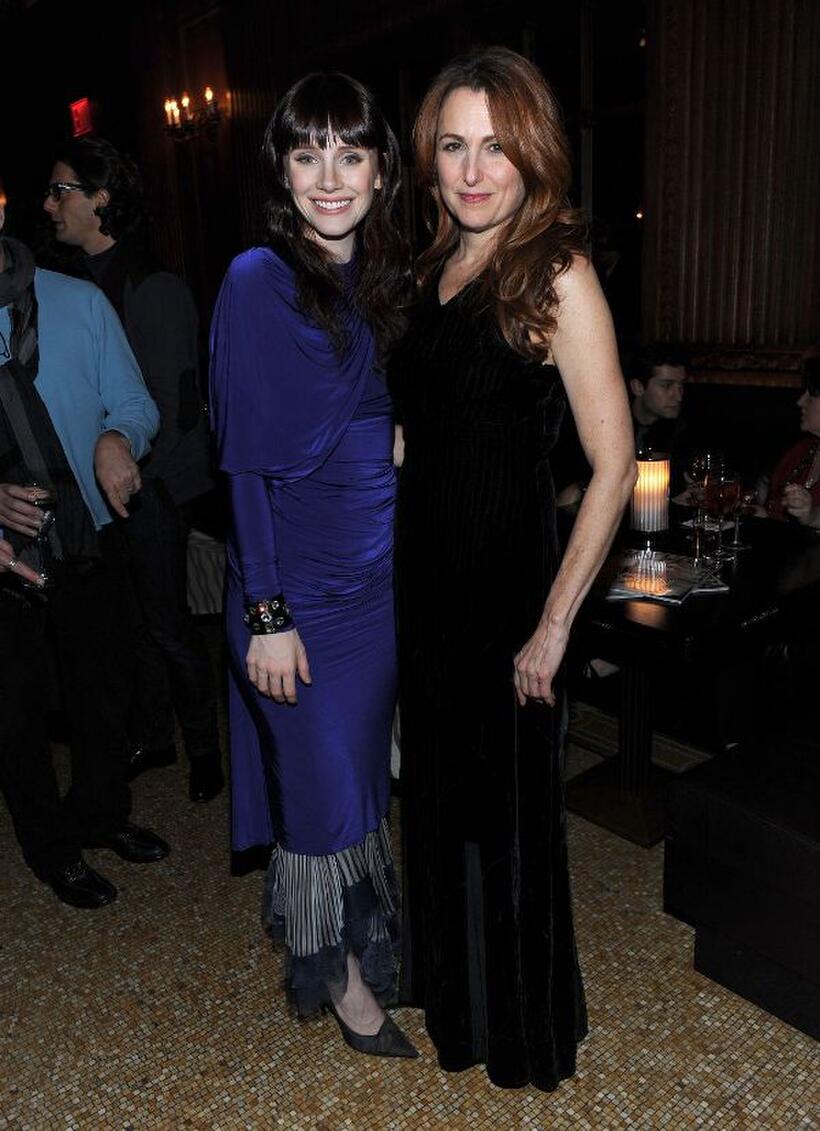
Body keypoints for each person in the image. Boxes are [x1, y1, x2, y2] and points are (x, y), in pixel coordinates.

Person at [388, 47, 636, 1091]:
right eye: (453, 145)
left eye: (496, 145)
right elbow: (417, 435)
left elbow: (615, 460)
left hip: (509, 602)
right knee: (439, 812)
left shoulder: (557, 272)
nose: (474, 168)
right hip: (424, 588)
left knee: (514, 827)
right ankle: (462, 1011)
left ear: (532, 154)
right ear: (429, 160)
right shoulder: (427, 273)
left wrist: (553, 625)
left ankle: (525, 1027)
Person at [209, 72, 415, 1057]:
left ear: (381, 169)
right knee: (322, 807)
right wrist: (266, 616)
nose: (328, 176)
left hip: (376, 594)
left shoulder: (380, 281)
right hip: (296, 602)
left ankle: (369, 951)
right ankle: (343, 991)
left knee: (361, 791)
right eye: (305, 153)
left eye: (349, 152)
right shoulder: (259, 278)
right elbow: (243, 466)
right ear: (280, 170)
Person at [42, 138, 223, 803]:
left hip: (155, 488)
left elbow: (172, 412)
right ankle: (158, 733)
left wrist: (150, 494)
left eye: (61, 190)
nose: (49, 204)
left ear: (101, 199)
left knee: (170, 626)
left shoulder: (154, 285)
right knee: (133, 627)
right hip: (100, 493)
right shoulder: (64, 289)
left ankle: (205, 746)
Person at [0, 201, 168, 909]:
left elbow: (137, 403)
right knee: (16, 710)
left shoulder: (78, 301)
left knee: (102, 688)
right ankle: (52, 849)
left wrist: (116, 439)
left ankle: (102, 813)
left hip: (83, 526)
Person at [755, 353, 820, 527]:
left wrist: (811, 515)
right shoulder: (801, 451)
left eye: (811, 394)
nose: (800, 402)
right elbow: (772, 510)